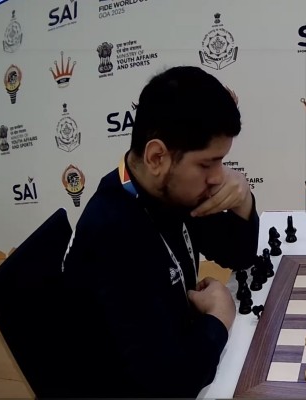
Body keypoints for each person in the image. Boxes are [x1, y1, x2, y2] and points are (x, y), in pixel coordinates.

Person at [59, 66, 259, 397]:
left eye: (221, 161)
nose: (218, 176)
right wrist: (219, 317)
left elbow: (238, 254)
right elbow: (171, 384)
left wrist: (243, 199)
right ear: (156, 157)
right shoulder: (111, 234)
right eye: (207, 164)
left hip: (176, 349)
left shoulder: (166, 190)